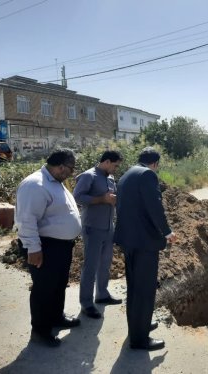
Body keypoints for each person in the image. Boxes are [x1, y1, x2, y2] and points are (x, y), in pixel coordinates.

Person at [15, 148, 82, 347]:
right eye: (71, 168)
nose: (72, 172)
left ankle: (56, 317)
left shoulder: (55, 183)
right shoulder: (35, 184)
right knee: (44, 289)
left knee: (59, 284)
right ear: (60, 166)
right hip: (44, 247)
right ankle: (41, 330)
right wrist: (33, 249)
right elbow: (26, 220)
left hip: (60, 246)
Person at [114, 147, 177, 351]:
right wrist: (167, 232)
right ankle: (139, 339)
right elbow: (154, 206)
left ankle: (139, 326)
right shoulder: (148, 175)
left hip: (129, 241)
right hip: (143, 243)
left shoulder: (127, 174)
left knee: (134, 287)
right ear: (155, 163)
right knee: (144, 290)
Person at [73, 150, 123, 319]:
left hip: (108, 227)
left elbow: (110, 198)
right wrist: (101, 199)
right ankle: (86, 303)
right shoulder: (89, 176)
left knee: (105, 263)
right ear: (107, 161)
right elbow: (78, 197)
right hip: (92, 227)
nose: (116, 169)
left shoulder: (109, 178)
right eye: (115, 165)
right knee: (91, 265)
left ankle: (102, 294)